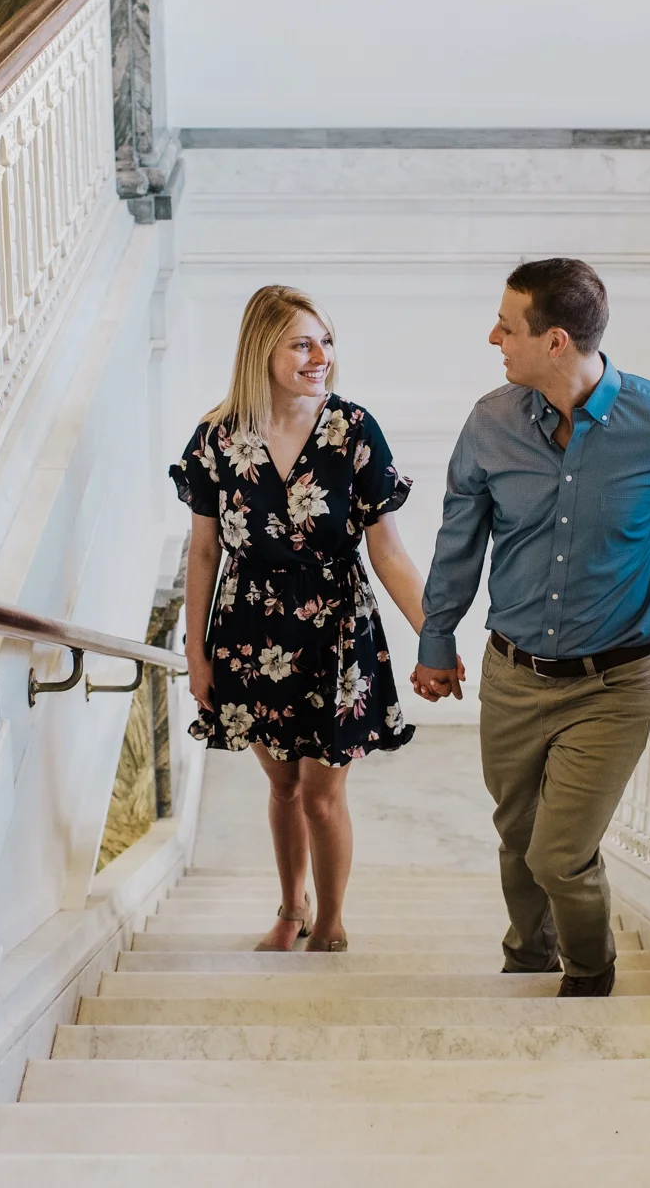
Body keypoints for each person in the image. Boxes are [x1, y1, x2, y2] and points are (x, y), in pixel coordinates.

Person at [410, 258, 650, 995]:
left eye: (507, 326)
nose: (493, 337)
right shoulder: (491, 423)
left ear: (556, 341)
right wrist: (437, 640)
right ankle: (527, 959)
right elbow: (459, 538)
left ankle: (589, 974)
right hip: (511, 674)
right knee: (518, 836)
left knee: (559, 853)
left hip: (613, 686)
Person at [172, 285, 427, 953]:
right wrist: (196, 654)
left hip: (335, 630)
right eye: (303, 344)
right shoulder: (217, 438)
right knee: (282, 785)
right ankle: (292, 907)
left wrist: (435, 633)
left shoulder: (353, 430)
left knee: (320, 795)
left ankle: (331, 919)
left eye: (327, 341)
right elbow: (203, 553)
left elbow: (389, 552)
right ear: (262, 351)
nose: (321, 357)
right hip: (249, 632)